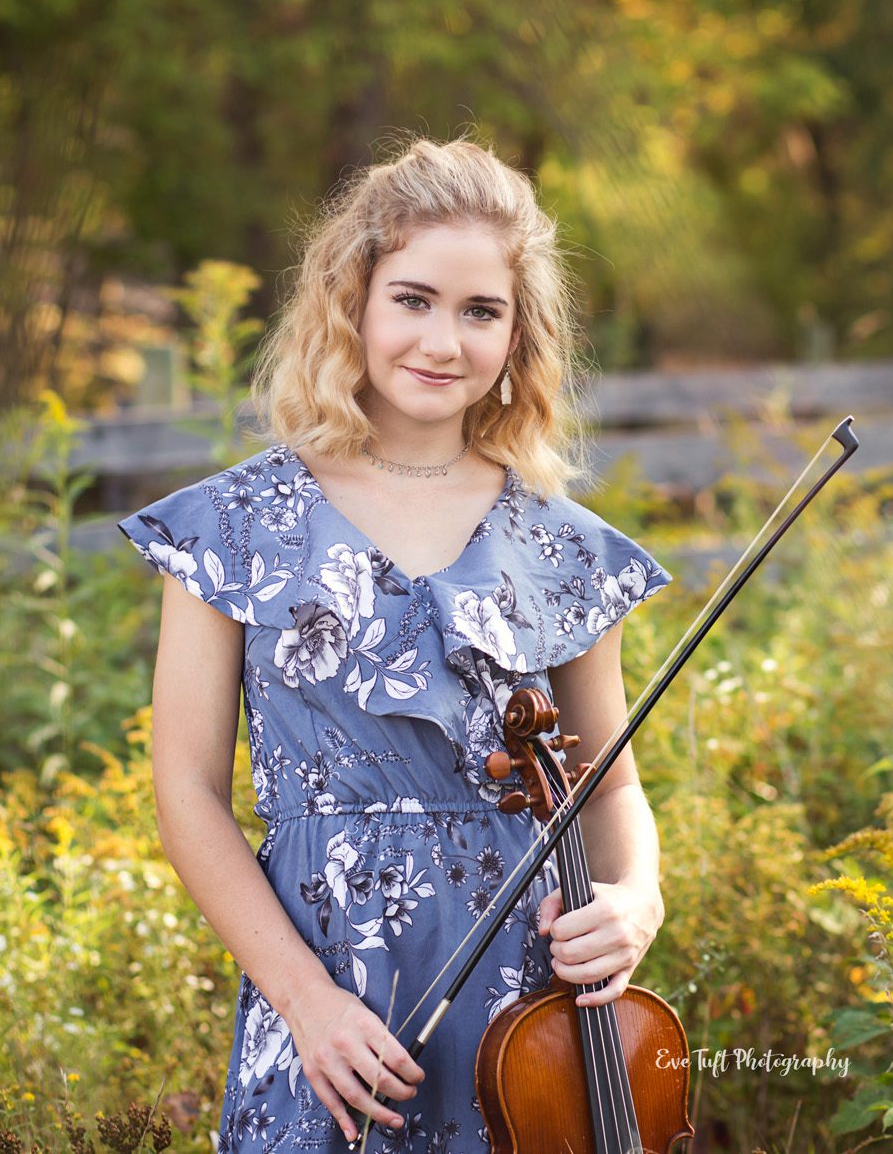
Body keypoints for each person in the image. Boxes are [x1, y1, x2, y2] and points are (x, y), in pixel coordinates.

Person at [117, 137, 672, 1150]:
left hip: (528, 1018)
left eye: (479, 311)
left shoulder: (559, 545)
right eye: (412, 299)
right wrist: (306, 1005)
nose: (442, 340)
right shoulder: (234, 528)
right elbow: (186, 792)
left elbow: (610, 785)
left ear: (518, 333)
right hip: (324, 1002)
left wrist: (636, 899)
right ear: (354, 303)